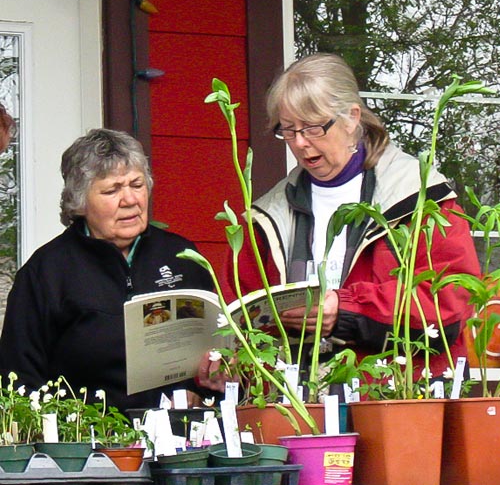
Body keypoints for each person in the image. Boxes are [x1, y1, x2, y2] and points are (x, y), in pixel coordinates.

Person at [198, 52, 481, 391]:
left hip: (402, 402)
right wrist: (233, 357)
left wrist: (344, 310)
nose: (300, 143)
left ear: (351, 118)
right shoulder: (266, 218)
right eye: (288, 130)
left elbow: (449, 303)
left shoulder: (420, 198)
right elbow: (245, 313)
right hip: (298, 405)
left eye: (313, 127)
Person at [0, 128, 216, 412]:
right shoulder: (46, 273)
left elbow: (214, 354)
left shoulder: (183, 257)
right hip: (86, 443)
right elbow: (19, 381)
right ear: (79, 202)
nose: (129, 200)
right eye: (112, 190)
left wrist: (203, 387)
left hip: (182, 438)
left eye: (136, 185)